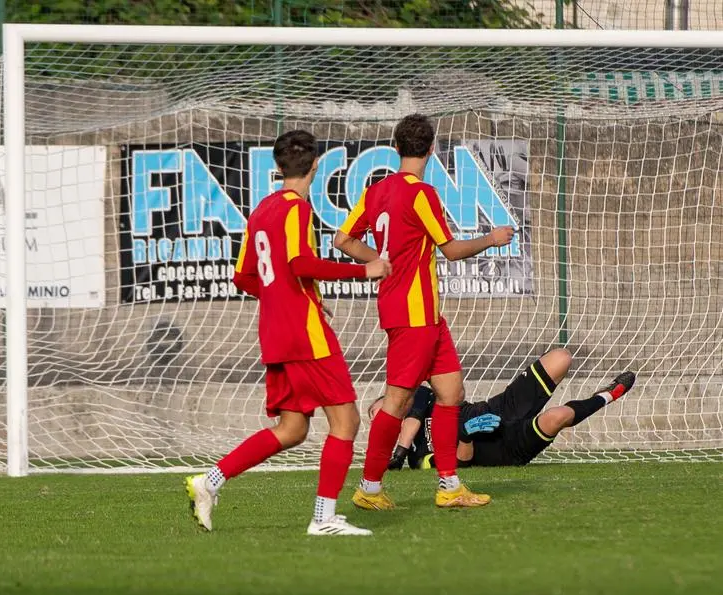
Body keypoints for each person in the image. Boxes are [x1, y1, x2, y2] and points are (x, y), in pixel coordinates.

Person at [185, 129, 391, 536]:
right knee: (346, 422)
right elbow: (298, 263)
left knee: (292, 429)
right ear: (316, 165)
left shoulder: (261, 210)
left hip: (276, 334)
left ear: (277, 168)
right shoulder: (297, 209)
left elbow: (243, 276)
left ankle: (208, 482)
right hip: (304, 334)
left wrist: (295, 296)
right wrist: (362, 269)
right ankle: (323, 518)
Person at [334, 114, 515, 509]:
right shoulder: (421, 194)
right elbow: (449, 250)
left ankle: (449, 486)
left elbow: (342, 239)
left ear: (396, 148)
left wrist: (376, 260)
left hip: (427, 317)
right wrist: (493, 238)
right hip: (412, 316)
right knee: (397, 403)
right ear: (432, 150)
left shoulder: (375, 192)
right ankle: (369, 488)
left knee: (451, 393)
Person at [368, 348, 636, 469]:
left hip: (499, 408)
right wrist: (465, 435)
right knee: (559, 416)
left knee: (561, 357)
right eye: (376, 418)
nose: (383, 415)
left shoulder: (422, 398)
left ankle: (599, 395)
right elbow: (462, 462)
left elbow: (445, 396)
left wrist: (399, 450)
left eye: (381, 408)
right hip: (506, 450)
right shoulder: (418, 459)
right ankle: (607, 396)